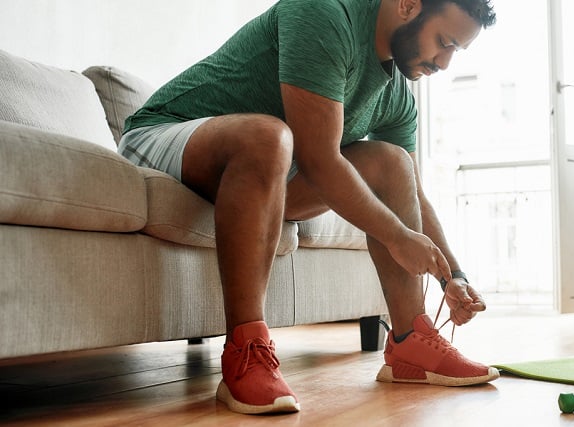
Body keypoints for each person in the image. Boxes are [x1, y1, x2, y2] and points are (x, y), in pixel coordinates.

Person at [120, 0, 498, 415]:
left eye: (455, 51)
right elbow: (319, 159)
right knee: (270, 136)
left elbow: (414, 193)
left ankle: (411, 345)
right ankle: (247, 349)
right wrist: (396, 237)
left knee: (392, 162)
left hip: (268, 171)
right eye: (443, 42)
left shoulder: (396, 94)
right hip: (167, 134)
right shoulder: (323, 12)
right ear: (408, 5)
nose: (443, 62)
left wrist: (454, 276)